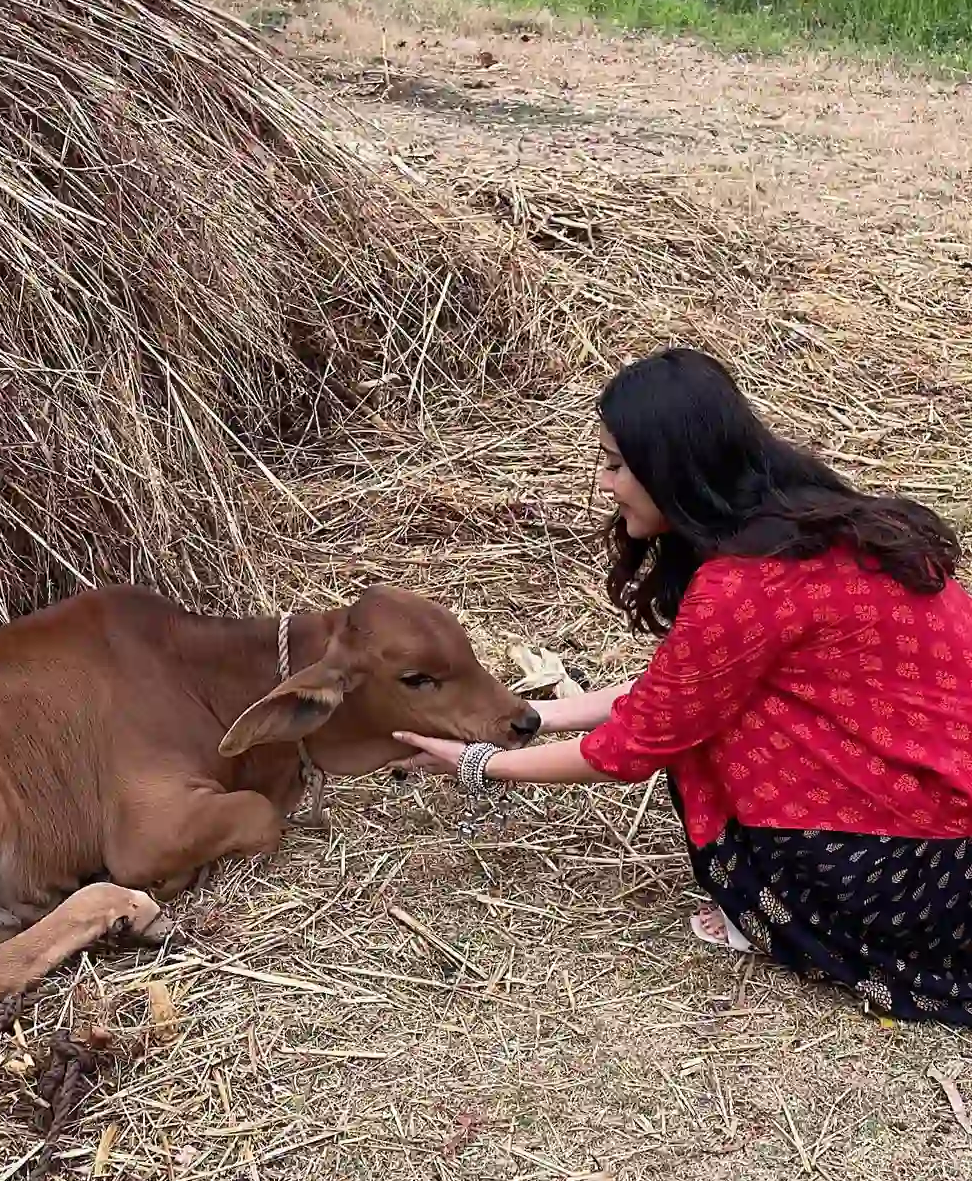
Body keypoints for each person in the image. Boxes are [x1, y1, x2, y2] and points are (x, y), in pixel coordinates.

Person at [393, 347, 972, 1024]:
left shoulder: (744, 585)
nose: (605, 484)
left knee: (718, 730)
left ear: (670, 468)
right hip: (948, 813)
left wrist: (479, 764)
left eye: (614, 464)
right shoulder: (810, 523)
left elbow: (635, 744)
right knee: (724, 708)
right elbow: (676, 690)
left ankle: (779, 915)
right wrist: (528, 717)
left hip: (925, 870)